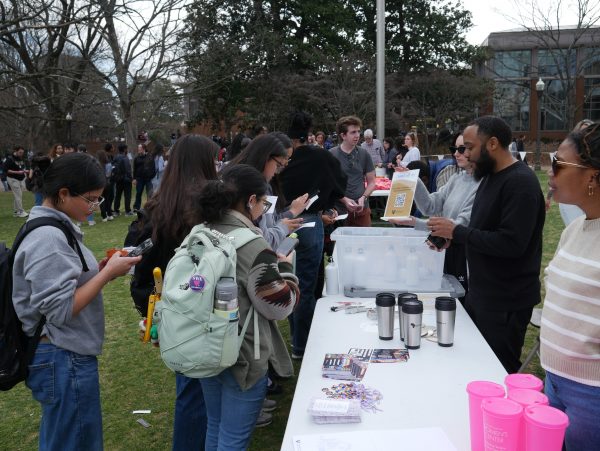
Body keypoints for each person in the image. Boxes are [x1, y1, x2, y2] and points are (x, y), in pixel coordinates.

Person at [12, 152, 140, 450]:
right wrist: (106, 274)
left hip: (60, 355)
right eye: (91, 199)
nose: (96, 207)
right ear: (63, 194)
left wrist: (100, 270)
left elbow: (63, 285)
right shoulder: (48, 238)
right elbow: (61, 309)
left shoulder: (51, 227)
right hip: (62, 356)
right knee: (75, 442)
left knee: (63, 438)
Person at [194, 164, 299, 450]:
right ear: (251, 201)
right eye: (264, 203)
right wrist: (286, 270)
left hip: (204, 343)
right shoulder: (252, 243)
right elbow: (278, 306)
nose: (264, 210)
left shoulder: (200, 231)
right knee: (233, 438)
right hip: (242, 352)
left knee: (215, 426)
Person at [428, 116, 545, 373]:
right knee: (474, 367)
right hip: (481, 292)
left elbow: (511, 244)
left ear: (492, 144)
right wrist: (452, 238)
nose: (466, 154)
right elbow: (481, 229)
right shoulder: (489, 177)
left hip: (506, 299)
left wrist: (458, 232)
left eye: (470, 147)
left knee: (497, 370)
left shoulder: (520, 183)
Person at [129, 134, 219, 450]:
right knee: (196, 392)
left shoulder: (157, 206)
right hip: (199, 308)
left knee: (194, 389)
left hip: (175, 310)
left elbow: (139, 268)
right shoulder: (204, 209)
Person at [540, 122, 600, 451]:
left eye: (559, 164)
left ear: (592, 176)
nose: (550, 172)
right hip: (554, 381)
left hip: (592, 395)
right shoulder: (575, 229)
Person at [279, 111, 347, 359]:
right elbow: (339, 182)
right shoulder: (320, 156)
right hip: (308, 220)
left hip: (283, 221)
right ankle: (302, 344)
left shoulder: (280, 157)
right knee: (305, 285)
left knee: (289, 281)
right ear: (308, 133)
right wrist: (326, 203)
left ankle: (297, 339)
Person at [390, 133, 480, 299]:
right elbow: (430, 206)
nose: (456, 154)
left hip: (464, 253)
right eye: (454, 149)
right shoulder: (457, 178)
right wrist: (413, 180)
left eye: (461, 149)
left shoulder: (482, 184)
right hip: (446, 248)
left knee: (461, 300)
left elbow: (460, 224)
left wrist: (416, 223)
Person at [230, 133, 306, 250]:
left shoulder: (240, 179)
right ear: (265, 157)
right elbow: (266, 239)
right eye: (279, 164)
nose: (284, 165)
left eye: (287, 159)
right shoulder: (255, 188)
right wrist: (290, 216)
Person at [330, 115, 375, 227]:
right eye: (353, 132)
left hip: (362, 209)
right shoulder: (331, 155)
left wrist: (364, 197)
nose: (357, 135)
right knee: (338, 238)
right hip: (339, 210)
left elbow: (372, 182)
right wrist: (344, 199)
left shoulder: (364, 154)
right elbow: (328, 184)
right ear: (343, 135)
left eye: (358, 131)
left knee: (364, 238)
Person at [4, 145, 29, 217]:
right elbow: (6, 170)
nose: (21, 154)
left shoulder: (20, 158)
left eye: (22, 153)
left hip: (20, 179)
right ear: (16, 151)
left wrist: (24, 171)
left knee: (18, 195)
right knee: (18, 195)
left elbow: (20, 167)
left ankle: (16, 212)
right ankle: (21, 212)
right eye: (20, 152)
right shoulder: (9, 159)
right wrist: (17, 172)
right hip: (12, 179)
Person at [132, 143, 155, 212]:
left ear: (144, 149)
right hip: (139, 179)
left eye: (140, 148)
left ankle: (149, 207)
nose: (138, 149)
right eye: (138, 148)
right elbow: (134, 169)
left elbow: (153, 168)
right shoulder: (136, 158)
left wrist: (151, 176)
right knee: (138, 193)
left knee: (150, 193)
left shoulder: (149, 157)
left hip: (148, 179)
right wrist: (134, 178)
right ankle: (136, 208)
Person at [113, 143, 134, 216]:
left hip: (118, 179)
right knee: (127, 195)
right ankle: (127, 211)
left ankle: (116, 211)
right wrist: (131, 178)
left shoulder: (115, 157)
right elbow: (128, 170)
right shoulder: (125, 158)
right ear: (125, 149)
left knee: (118, 195)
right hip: (126, 179)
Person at [96, 148, 114, 222]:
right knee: (108, 200)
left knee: (101, 200)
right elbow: (108, 175)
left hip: (100, 184)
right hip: (108, 183)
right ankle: (109, 214)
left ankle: (104, 216)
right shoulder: (109, 164)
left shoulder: (96, 165)